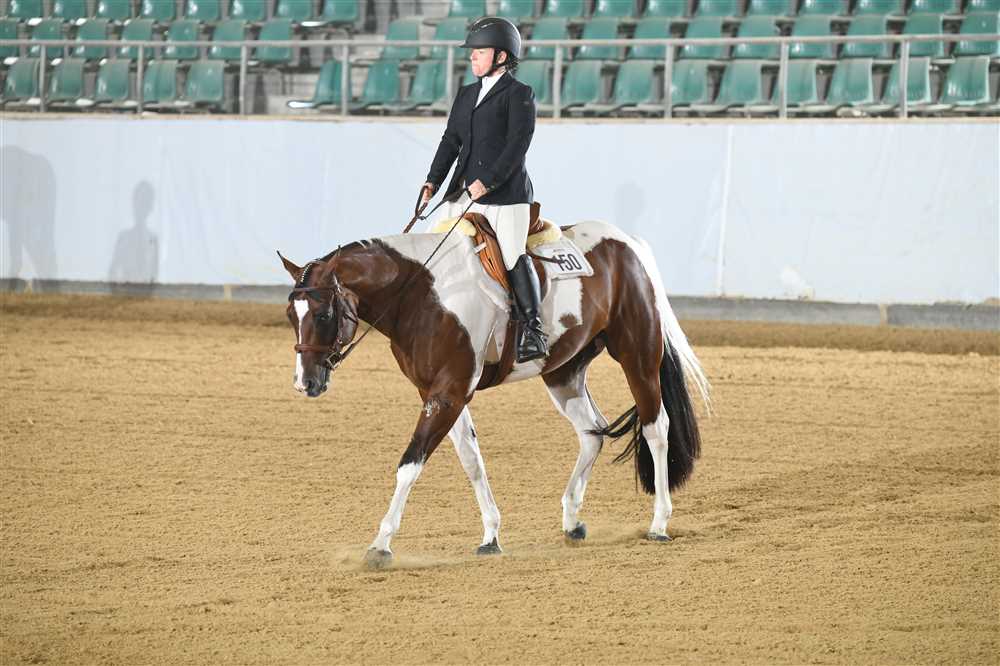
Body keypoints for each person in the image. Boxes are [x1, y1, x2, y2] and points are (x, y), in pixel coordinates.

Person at [421, 16, 547, 363]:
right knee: (433, 245)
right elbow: (451, 140)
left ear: (501, 56)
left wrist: (488, 181)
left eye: (480, 51)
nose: (472, 57)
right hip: (464, 192)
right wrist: (433, 180)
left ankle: (533, 329)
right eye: (472, 52)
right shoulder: (466, 94)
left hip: (506, 196)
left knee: (511, 253)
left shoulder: (520, 94)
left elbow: (517, 145)